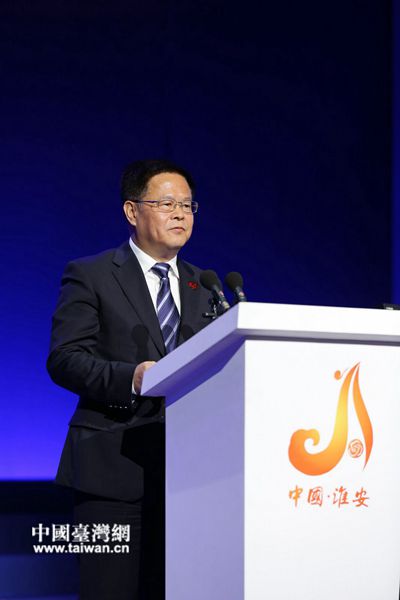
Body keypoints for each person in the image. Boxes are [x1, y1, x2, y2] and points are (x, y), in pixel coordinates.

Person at [47, 159, 212, 600]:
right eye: (167, 203)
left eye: (188, 205)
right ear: (132, 211)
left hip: (189, 478)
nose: (180, 214)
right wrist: (132, 379)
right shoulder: (91, 274)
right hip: (107, 475)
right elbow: (64, 359)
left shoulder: (205, 287)